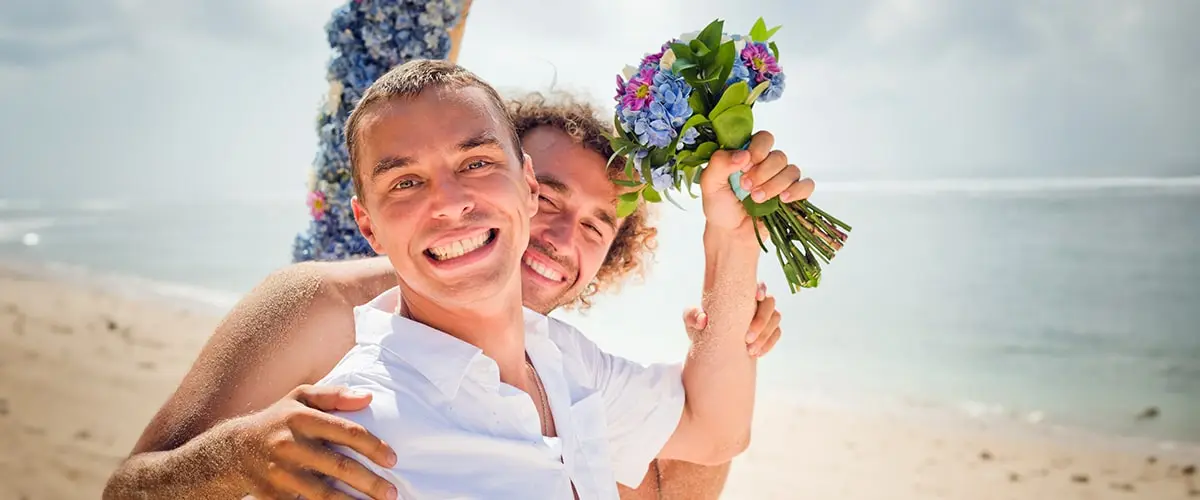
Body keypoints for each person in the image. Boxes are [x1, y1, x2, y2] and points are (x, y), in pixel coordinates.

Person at [103, 60, 812, 499]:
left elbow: (711, 435)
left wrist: (731, 241)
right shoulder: (339, 346)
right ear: (370, 224)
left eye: (598, 226)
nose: (450, 204)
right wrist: (237, 459)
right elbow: (131, 490)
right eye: (407, 181)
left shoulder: (563, 365)